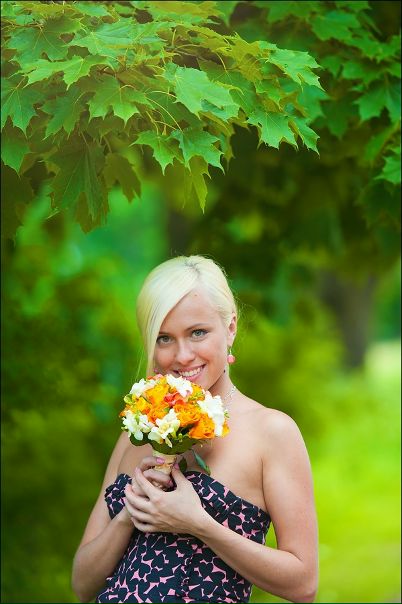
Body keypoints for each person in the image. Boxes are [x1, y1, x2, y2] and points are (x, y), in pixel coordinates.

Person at [72, 255, 318, 604]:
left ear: (230, 328)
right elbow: (82, 584)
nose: (182, 355)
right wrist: (131, 513)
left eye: (197, 333)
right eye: (164, 338)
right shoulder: (137, 431)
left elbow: (303, 584)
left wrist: (198, 523)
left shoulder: (271, 432)